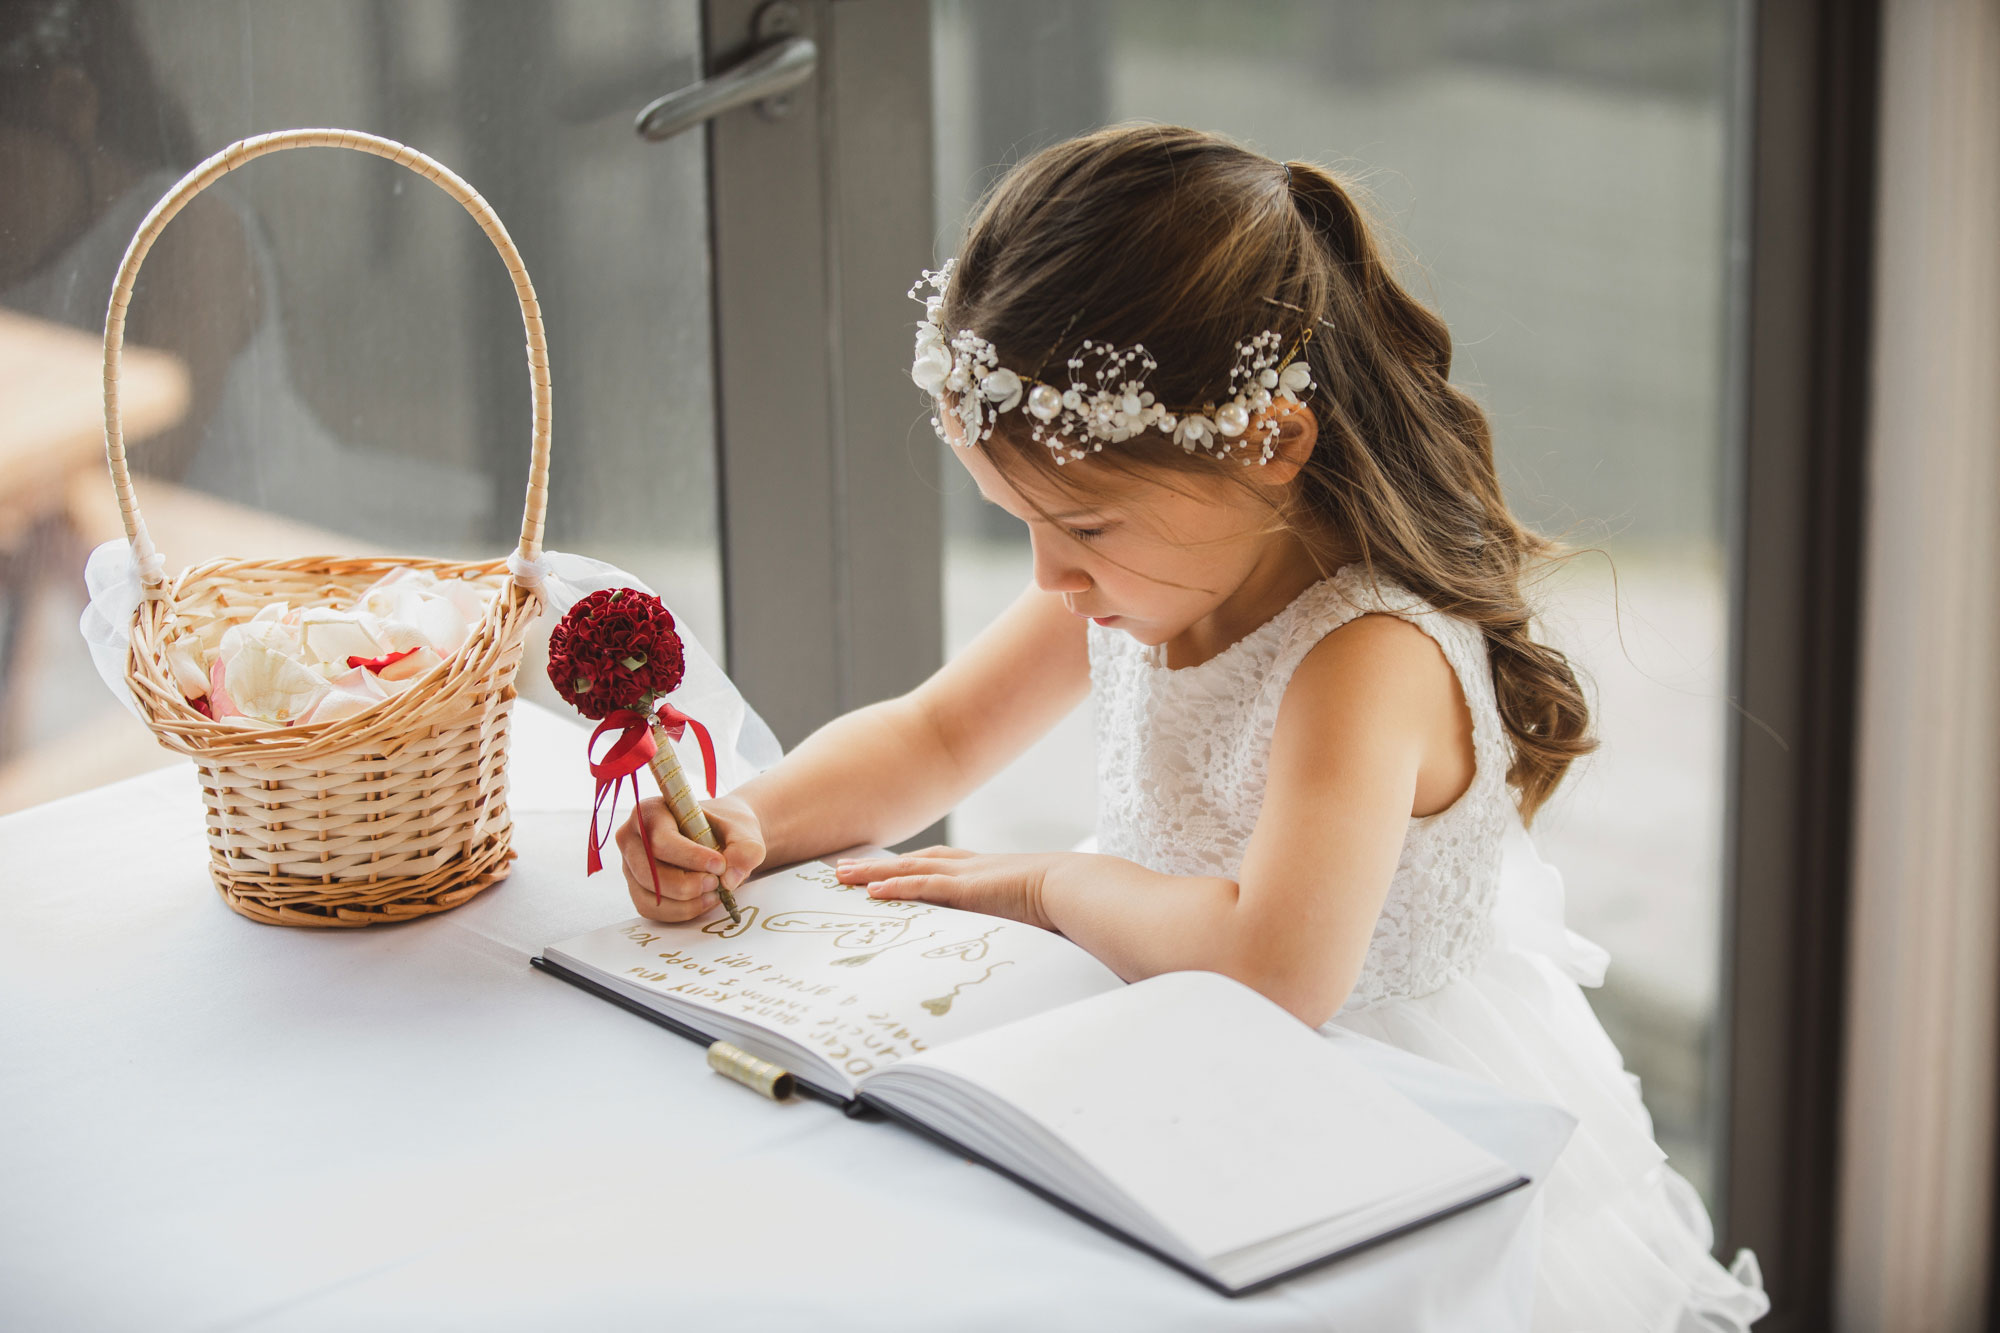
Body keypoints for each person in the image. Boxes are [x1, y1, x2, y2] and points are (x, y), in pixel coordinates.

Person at [614, 122, 1769, 1330]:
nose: (1051, 576)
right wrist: (750, 820)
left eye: (1083, 527)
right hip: (1181, 1033)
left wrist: (1049, 887)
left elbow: (1274, 968)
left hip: (1374, 1106)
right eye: (1022, 525)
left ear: (1268, 444)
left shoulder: (1362, 654)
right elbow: (937, 735)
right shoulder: (1150, 575)